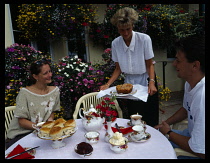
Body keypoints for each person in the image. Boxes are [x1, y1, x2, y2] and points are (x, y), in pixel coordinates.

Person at [100, 7, 159, 126]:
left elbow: (149, 65)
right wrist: (108, 84)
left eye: (128, 29)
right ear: (117, 28)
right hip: (129, 84)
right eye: (122, 30)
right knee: (134, 116)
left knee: (149, 117)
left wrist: (151, 82)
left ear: (133, 25)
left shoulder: (144, 39)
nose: (125, 33)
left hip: (147, 80)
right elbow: (118, 68)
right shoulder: (116, 43)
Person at [154, 35, 205, 159]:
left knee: (156, 152)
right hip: (192, 136)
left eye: (178, 60)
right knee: (153, 138)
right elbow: (186, 109)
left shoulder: (202, 96)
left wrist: (169, 132)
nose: (174, 64)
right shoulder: (190, 83)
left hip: (198, 151)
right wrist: (165, 124)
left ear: (195, 66)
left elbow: (201, 152)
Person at [6, 58, 60, 149]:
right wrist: (41, 127)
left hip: (41, 133)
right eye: (45, 73)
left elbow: (51, 112)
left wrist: (50, 122)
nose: (50, 75)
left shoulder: (55, 91)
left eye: (50, 71)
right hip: (21, 135)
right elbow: (21, 122)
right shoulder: (24, 93)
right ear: (35, 76)